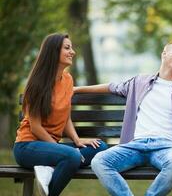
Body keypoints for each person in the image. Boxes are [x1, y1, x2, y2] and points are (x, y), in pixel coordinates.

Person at [74, 39, 172, 196]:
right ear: (164, 54)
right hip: (136, 146)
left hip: (168, 147)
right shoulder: (139, 82)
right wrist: (77, 89)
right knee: (99, 161)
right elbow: (111, 86)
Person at [13, 33, 108, 196]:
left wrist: (77, 141)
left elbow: (66, 117)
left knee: (100, 147)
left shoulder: (68, 80)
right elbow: (35, 128)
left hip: (51, 147)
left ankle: (51, 167)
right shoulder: (36, 84)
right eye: (67, 48)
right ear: (53, 51)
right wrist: (59, 149)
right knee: (71, 156)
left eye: (71, 48)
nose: (73, 52)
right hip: (28, 147)